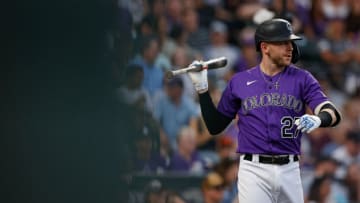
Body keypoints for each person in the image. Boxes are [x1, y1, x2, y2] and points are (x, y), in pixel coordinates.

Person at [187, 18, 342, 203]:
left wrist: (319, 119)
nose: (290, 47)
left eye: (290, 42)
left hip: (290, 168)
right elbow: (214, 126)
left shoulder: (302, 78)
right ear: (265, 47)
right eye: (283, 42)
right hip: (254, 170)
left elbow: (332, 112)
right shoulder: (240, 81)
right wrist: (203, 90)